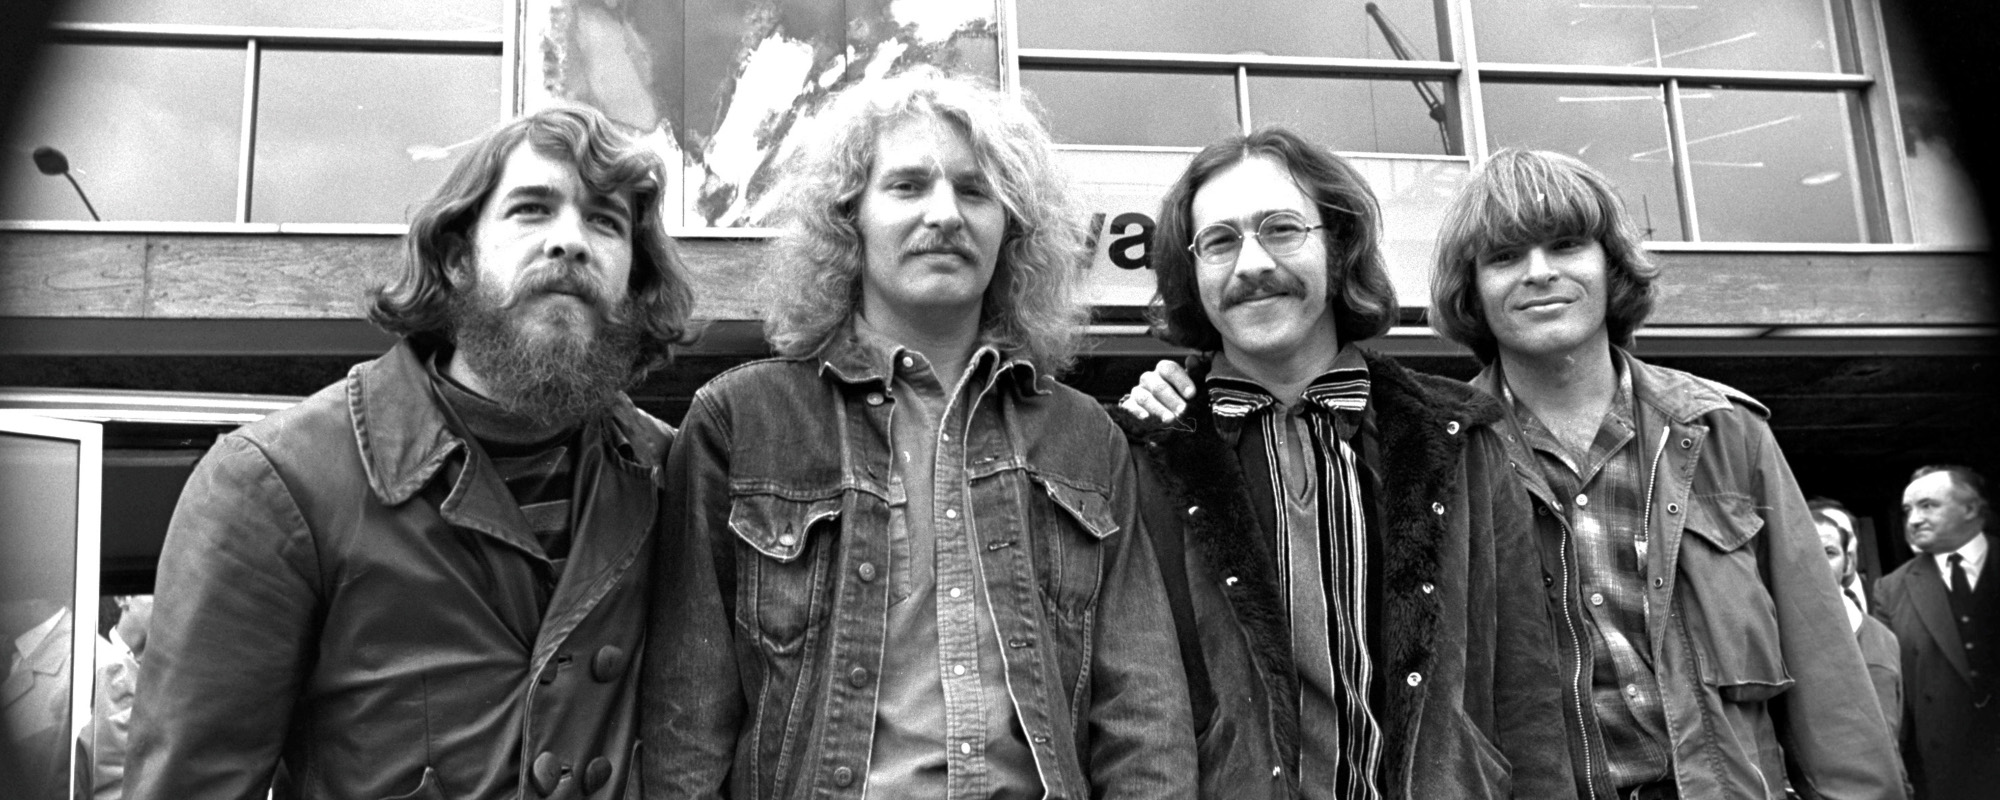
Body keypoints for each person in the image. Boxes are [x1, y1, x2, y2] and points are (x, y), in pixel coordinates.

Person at [639, 70, 1195, 800]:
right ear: (850, 219)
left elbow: (1143, 714)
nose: (945, 214)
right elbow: (687, 723)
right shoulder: (739, 422)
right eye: (906, 186)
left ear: (1012, 229)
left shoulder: (1085, 437)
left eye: (975, 191)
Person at [125, 104, 697, 800]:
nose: (570, 242)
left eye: (605, 221)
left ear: (633, 281)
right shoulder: (274, 483)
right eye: (531, 210)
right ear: (457, 260)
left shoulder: (672, 474)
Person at [1112, 127, 1572, 799]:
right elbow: (1129, 706)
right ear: (1193, 271)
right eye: (1219, 241)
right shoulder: (1148, 451)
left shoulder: (1457, 437)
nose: (1251, 264)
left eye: (1281, 229)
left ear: (1340, 246)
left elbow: (1526, 693)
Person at [1427, 148, 1902, 799]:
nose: (1539, 273)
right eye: (1504, 256)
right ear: (1471, 290)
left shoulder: (1724, 432)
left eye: (1565, 245)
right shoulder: (1438, 455)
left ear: (1611, 266)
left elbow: (1828, 672)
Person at [1875, 465, 2000, 798]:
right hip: (1947, 770)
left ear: (1970, 508)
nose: (1914, 520)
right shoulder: (1891, 589)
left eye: (1928, 506)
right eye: (1908, 510)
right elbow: (1891, 688)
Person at [1814, 507, 1903, 743]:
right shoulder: (1766, 631)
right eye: (1807, 551)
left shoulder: (1881, 637)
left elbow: (1890, 734)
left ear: (1848, 562)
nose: (1818, 562)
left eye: (1829, 552)